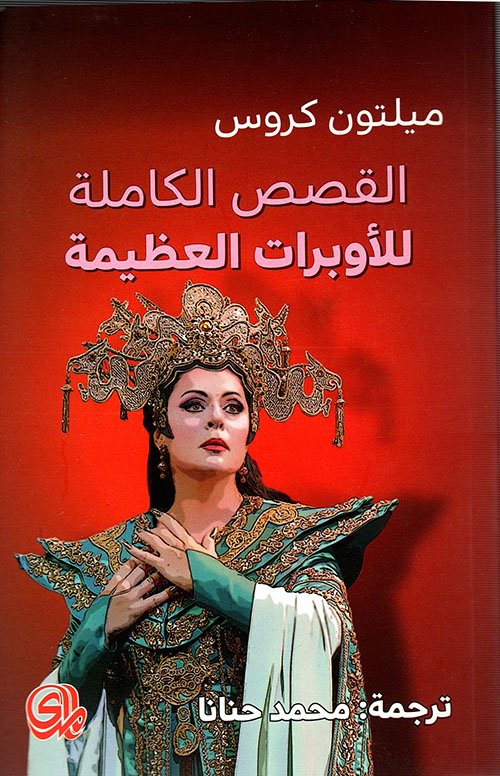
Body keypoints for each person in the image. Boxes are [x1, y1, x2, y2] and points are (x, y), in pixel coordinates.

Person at [17, 281, 397, 776]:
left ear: (249, 430)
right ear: (160, 429)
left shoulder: (293, 541)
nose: (216, 419)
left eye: (233, 407)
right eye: (194, 405)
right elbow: (62, 717)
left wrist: (206, 579)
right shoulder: (114, 556)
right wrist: (99, 629)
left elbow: (324, 637)